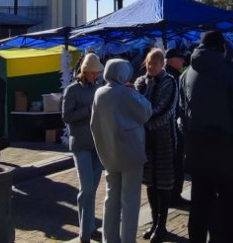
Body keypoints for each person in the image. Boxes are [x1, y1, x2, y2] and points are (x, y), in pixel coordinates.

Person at [178, 30, 233, 243]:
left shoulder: (186, 74)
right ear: (222, 48)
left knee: (200, 205)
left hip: (197, 150)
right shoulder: (232, 72)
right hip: (227, 150)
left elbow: (182, 114)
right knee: (229, 209)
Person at [92, 58, 152, 243]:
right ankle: (127, 239)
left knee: (111, 198)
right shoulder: (126, 93)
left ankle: (108, 238)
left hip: (109, 154)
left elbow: (94, 124)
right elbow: (146, 112)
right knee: (130, 200)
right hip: (131, 153)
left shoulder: (99, 93)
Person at [136, 49, 178, 241]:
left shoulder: (169, 82)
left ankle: (162, 225)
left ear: (162, 64)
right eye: (149, 63)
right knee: (150, 183)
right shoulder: (141, 82)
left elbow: (165, 109)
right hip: (146, 141)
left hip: (164, 140)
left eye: (155, 63)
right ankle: (154, 222)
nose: (151, 67)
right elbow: (135, 105)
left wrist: (144, 121)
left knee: (163, 183)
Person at [63, 53, 105, 243]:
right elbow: (66, 116)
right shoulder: (72, 90)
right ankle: (84, 232)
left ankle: (90, 227)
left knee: (92, 188)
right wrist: (88, 111)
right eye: (93, 72)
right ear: (85, 71)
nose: (95, 76)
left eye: (97, 73)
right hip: (80, 144)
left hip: (97, 144)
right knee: (86, 187)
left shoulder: (98, 88)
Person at [163, 47, 190, 209]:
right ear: (173, 60)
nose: (183, 61)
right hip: (174, 128)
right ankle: (175, 196)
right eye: (180, 58)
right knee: (176, 163)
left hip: (166, 129)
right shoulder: (174, 78)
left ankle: (171, 196)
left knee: (171, 165)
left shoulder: (164, 75)